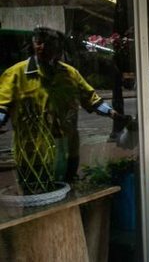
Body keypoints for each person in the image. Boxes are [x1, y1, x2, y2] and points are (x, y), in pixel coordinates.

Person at [0, 27, 130, 193]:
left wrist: (114, 115)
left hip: (68, 151)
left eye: (49, 43)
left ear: (58, 47)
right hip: (33, 154)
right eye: (38, 42)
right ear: (33, 44)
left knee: (68, 193)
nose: (43, 47)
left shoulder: (70, 74)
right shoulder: (16, 74)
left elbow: (92, 99)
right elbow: (2, 107)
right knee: (37, 196)